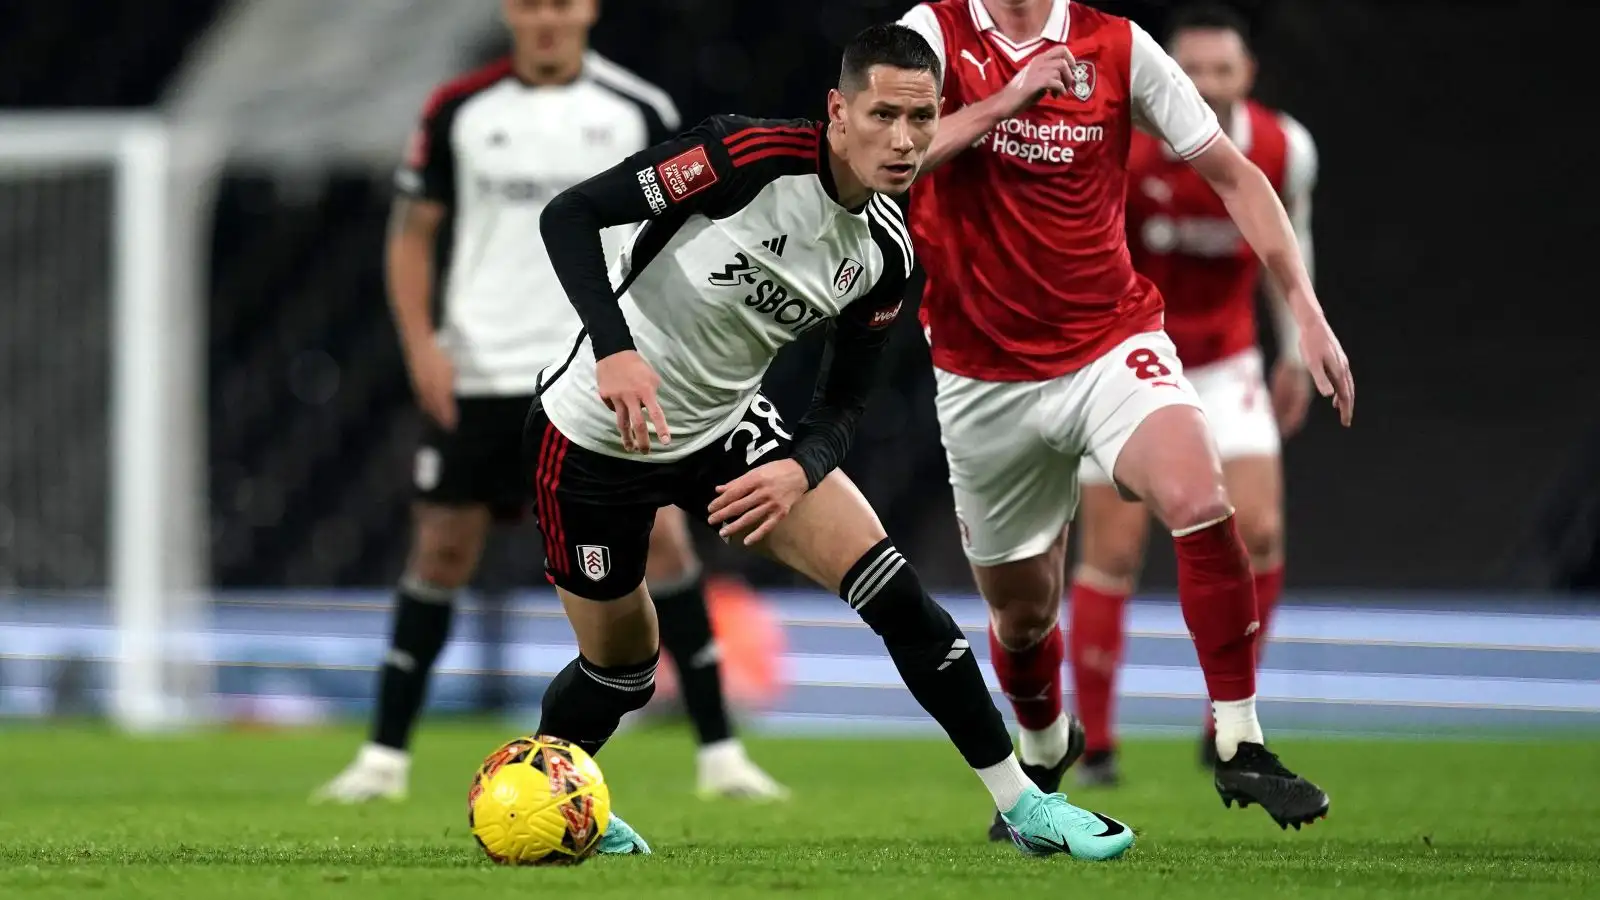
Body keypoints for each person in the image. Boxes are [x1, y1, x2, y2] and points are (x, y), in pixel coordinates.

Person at [524, 22, 1135, 861]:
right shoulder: (745, 157)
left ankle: (1026, 806)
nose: (905, 139)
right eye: (883, 115)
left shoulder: (886, 253)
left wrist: (797, 469)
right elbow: (571, 214)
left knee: (899, 598)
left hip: (723, 428)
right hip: (595, 435)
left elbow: (844, 402)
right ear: (837, 113)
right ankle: (555, 799)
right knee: (624, 668)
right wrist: (614, 349)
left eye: (922, 119)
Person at [895, 0, 1352, 836]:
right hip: (981, 373)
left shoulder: (1117, 44)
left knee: (1201, 500)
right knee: (1022, 614)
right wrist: (1006, 101)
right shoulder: (933, 34)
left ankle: (1239, 740)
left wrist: (1306, 311)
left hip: (1109, 346)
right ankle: (1046, 746)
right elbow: (891, 156)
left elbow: (1235, 174)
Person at [313, 0, 785, 805]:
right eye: (530, 4)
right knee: (441, 551)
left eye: (560, 4)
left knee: (665, 546)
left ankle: (721, 754)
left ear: (589, 10)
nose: (545, 20)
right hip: (484, 370)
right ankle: (383, 758)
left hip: (591, 371)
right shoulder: (459, 110)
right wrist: (421, 343)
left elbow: (685, 231)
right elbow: (413, 231)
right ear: (509, 12)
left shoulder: (637, 109)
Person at [1067, 3, 1320, 787]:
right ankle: (1098, 745)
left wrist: (1295, 348)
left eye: (1222, 70)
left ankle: (1227, 721)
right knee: (1112, 550)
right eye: (1192, 71)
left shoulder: (1285, 148)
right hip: (1131, 357)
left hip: (1227, 359)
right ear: (1170, 75)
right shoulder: (1129, 148)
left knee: (1263, 533)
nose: (1206, 85)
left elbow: (1291, 241)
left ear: (1246, 76)